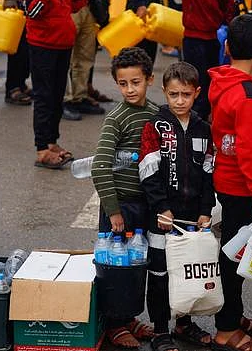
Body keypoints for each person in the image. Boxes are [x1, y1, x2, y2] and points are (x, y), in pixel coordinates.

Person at [209, 14, 252, 351]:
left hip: (227, 180)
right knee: (234, 259)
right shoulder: (249, 96)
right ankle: (226, 328)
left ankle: (234, 317)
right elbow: (250, 151)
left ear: (226, 47)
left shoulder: (221, 81)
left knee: (232, 256)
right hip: (242, 187)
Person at [138, 62, 216, 351]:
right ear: (164, 92)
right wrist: (161, 207)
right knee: (159, 273)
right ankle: (160, 330)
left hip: (193, 216)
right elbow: (147, 170)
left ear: (197, 93)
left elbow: (209, 173)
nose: (180, 101)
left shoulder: (204, 129)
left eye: (186, 94)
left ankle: (183, 324)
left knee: (188, 270)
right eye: (173, 95)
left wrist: (206, 210)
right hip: (162, 216)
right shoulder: (155, 126)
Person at [91, 47, 158, 348]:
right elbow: (100, 166)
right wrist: (113, 211)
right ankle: (116, 324)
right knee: (116, 268)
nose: (130, 89)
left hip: (144, 205)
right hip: (119, 208)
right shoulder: (116, 118)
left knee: (137, 264)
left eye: (136, 82)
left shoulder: (156, 114)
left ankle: (129, 317)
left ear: (149, 80)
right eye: (123, 83)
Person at [21, 0, 87, 168]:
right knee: (43, 97)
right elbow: (33, 11)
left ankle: (52, 141)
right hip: (42, 46)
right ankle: (41, 148)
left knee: (57, 96)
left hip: (63, 45)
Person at [160, 0, 236, 119]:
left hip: (213, 39)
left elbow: (228, 8)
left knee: (210, 80)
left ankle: (207, 117)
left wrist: (228, 33)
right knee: (193, 79)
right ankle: (193, 116)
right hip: (193, 39)